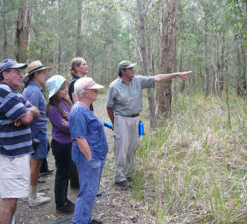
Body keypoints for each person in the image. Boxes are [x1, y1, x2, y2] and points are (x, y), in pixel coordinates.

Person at [106, 60, 192, 188]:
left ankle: (128, 173)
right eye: (130, 69)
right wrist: (115, 123)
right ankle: (119, 177)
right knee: (121, 148)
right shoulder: (114, 86)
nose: (133, 70)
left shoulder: (138, 80)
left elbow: (157, 78)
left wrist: (175, 74)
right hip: (121, 119)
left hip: (135, 118)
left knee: (132, 146)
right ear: (123, 71)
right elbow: (109, 107)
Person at [0, 59, 40, 224]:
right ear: (5, 74)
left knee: (14, 198)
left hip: (16, 155)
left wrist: (28, 112)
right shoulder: (2, 90)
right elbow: (26, 118)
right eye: (17, 71)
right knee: (9, 200)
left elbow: (35, 111)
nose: (21, 74)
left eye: (21, 71)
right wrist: (27, 114)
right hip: (8, 155)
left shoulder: (15, 93)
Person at [68, 77, 108, 224]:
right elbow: (80, 138)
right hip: (88, 159)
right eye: (94, 90)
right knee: (87, 193)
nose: (97, 91)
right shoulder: (78, 111)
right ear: (85, 93)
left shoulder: (84, 109)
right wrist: (91, 159)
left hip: (95, 158)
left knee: (91, 192)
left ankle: (86, 219)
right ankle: (79, 221)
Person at [22, 60, 52, 206]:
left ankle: (29, 193)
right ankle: (33, 197)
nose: (45, 75)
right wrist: (34, 135)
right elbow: (30, 114)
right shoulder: (33, 91)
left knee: (33, 164)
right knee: (36, 164)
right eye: (43, 72)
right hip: (37, 133)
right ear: (36, 74)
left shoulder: (32, 89)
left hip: (35, 133)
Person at [46, 75, 75, 213]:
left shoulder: (65, 102)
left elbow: (75, 116)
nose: (65, 90)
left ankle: (64, 199)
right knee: (62, 174)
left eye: (65, 87)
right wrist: (71, 123)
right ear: (56, 91)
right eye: (62, 88)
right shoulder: (52, 108)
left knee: (68, 172)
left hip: (69, 143)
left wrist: (70, 121)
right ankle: (60, 203)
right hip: (61, 145)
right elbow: (64, 128)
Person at [68, 57, 90, 189]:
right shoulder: (74, 84)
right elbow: (77, 104)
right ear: (77, 68)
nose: (87, 66)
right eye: (84, 64)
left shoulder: (83, 81)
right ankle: (76, 182)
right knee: (79, 149)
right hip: (80, 120)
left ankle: (78, 181)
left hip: (86, 117)